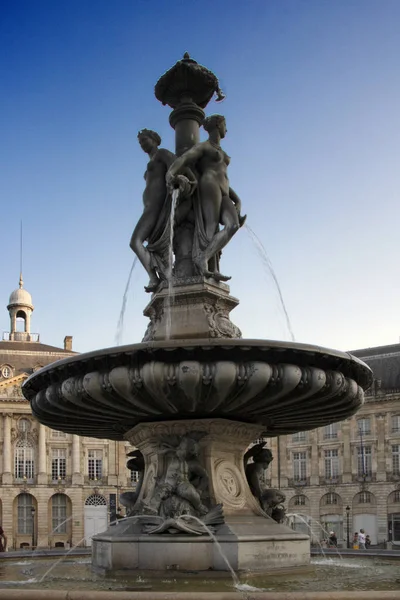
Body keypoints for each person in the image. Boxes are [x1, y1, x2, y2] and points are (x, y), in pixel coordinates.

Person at [166, 114, 246, 281]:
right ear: (218, 125)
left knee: (232, 225)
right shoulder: (204, 147)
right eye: (224, 124)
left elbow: (224, 177)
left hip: (224, 189)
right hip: (209, 184)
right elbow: (184, 159)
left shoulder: (220, 151)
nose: (226, 129)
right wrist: (171, 174)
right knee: (211, 226)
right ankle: (209, 265)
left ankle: (204, 257)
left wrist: (237, 199)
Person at [129, 129, 176, 292]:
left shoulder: (161, 154)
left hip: (157, 207)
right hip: (149, 208)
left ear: (155, 139)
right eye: (140, 142)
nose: (142, 144)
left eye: (144, 140)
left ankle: (154, 277)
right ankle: (159, 274)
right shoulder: (149, 167)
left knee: (135, 241)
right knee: (136, 242)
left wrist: (174, 179)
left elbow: (175, 167)